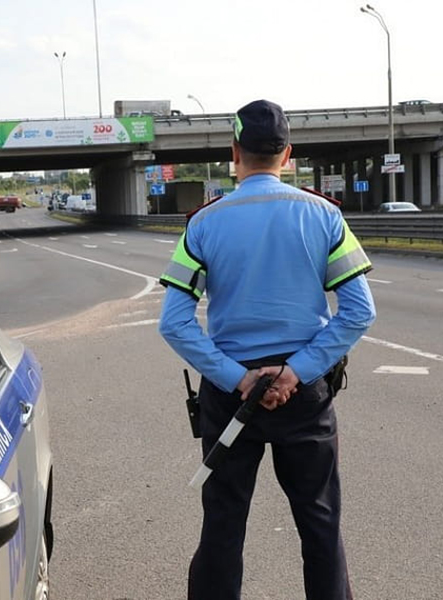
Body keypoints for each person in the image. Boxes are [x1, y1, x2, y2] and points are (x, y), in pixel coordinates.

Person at [158, 99, 376, 600]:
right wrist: (296, 372)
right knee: (320, 528)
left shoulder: (204, 224)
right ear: (288, 154)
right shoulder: (323, 216)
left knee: (223, 529)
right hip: (305, 397)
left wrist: (240, 379)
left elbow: (174, 324)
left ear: (234, 152)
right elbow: (359, 311)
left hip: (232, 398)